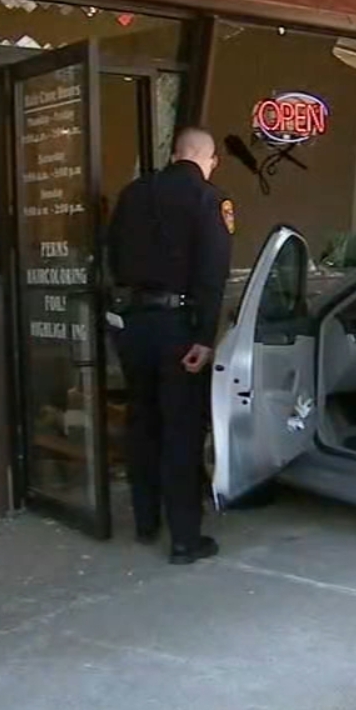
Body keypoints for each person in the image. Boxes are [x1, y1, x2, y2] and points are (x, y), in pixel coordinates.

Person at [106, 127, 234, 565]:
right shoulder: (209, 199)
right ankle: (184, 538)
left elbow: (112, 256)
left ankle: (145, 522)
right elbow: (213, 274)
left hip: (134, 322)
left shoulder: (132, 194)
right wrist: (205, 337)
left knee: (142, 422)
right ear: (208, 158)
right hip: (178, 326)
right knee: (181, 429)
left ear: (174, 152)